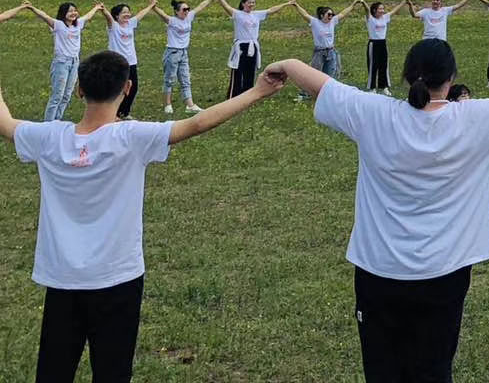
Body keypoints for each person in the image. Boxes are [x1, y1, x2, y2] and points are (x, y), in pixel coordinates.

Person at [268, 38, 489, 383]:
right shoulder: (480, 118)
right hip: (445, 275)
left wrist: (288, 64)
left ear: (406, 75)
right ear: (452, 77)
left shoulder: (372, 113)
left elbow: (323, 86)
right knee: (433, 369)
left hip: (378, 273)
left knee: (382, 371)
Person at [0, 48, 280, 383]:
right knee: (113, 370)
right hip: (118, 278)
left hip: (62, 280)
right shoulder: (131, 138)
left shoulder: (48, 137)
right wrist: (259, 90)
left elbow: (6, 123)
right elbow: (199, 121)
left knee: (54, 370)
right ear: (128, 88)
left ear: (79, 90)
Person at [20, 1, 106, 121]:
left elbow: (88, 16)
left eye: (75, 10)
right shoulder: (58, 25)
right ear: (63, 13)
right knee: (57, 95)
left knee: (67, 95)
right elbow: (44, 16)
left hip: (74, 62)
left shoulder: (78, 24)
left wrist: (97, 8)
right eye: (70, 11)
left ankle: (57, 120)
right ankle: (48, 124)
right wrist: (31, 8)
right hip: (61, 63)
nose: (73, 13)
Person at [215, 0, 297, 98]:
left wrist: (287, 4)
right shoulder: (238, 14)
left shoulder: (257, 14)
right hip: (241, 47)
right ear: (243, 3)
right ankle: (232, 97)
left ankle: (247, 97)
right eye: (249, 2)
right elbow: (227, 7)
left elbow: (271, 10)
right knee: (238, 72)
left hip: (253, 46)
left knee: (250, 73)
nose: (251, 4)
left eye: (253, 2)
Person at [160, 0, 216, 113]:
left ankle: (190, 105)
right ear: (176, 11)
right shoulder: (172, 21)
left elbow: (201, 6)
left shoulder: (189, 17)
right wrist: (153, 6)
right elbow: (162, 15)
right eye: (184, 10)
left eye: (188, 9)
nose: (186, 11)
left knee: (185, 79)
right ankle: (167, 105)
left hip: (184, 53)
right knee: (169, 79)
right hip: (172, 52)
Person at [297, 0, 363, 101]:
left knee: (329, 75)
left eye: (332, 14)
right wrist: (296, 5)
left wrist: (353, 4)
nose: (331, 16)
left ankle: (325, 94)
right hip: (319, 52)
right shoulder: (315, 22)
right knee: (313, 73)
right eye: (329, 14)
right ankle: (304, 93)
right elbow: (305, 14)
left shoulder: (332, 22)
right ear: (322, 15)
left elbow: (343, 13)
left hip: (331, 52)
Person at [105, 0, 160, 119]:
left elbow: (141, 14)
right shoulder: (113, 26)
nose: (127, 14)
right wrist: (103, 10)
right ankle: (114, 113)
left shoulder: (130, 23)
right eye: (124, 13)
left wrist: (150, 5)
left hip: (131, 61)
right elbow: (109, 18)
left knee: (133, 88)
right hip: (117, 62)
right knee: (118, 89)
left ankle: (124, 113)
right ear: (116, 15)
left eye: (128, 12)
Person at [404, 0, 477, 43]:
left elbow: (458, 5)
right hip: (427, 41)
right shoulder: (425, 11)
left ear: (440, 2)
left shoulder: (445, 10)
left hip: (441, 42)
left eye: (437, 0)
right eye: (433, 0)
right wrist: (410, 5)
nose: (435, 1)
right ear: (431, 1)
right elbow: (414, 15)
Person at [363, 1, 399, 95]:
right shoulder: (370, 18)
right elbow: (367, 10)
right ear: (374, 10)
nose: (382, 10)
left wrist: (403, 2)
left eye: (383, 9)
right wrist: (362, 2)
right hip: (373, 44)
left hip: (383, 43)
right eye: (380, 9)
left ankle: (384, 87)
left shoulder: (385, 17)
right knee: (373, 66)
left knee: (384, 66)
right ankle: (372, 87)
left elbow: (394, 11)